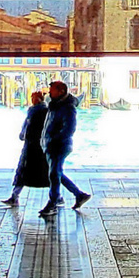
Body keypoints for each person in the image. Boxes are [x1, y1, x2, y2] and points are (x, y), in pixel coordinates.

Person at [39, 79, 91, 217]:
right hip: (50, 144)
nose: (49, 92)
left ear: (61, 91)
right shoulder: (54, 105)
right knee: (56, 173)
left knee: (54, 173)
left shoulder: (68, 108)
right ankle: (79, 194)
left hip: (60, 145)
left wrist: (55, 139)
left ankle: (53, 202)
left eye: (52, 90)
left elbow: (70, 129)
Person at [1, 90, 52, 206]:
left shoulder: (43, 111)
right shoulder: (33, 111)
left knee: (45, 173)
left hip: (38, 147)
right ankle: (14, 196)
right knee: (24, 172)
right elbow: (26, 126)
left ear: (40, 99)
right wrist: (23, 134)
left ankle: (57, 197)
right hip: (30, 146)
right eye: (32, 97)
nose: (32, 100)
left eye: (34, 98)